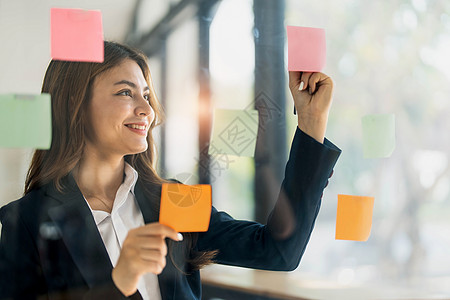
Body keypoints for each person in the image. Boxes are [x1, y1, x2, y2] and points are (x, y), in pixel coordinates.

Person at [0, 41, 341, 300]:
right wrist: (119, 282)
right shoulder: (25, 223)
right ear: (75, 105)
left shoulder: (171, 200)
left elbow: (278, 252)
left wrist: (312, 123)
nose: (147, 110)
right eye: (125, 92)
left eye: (146, 94)